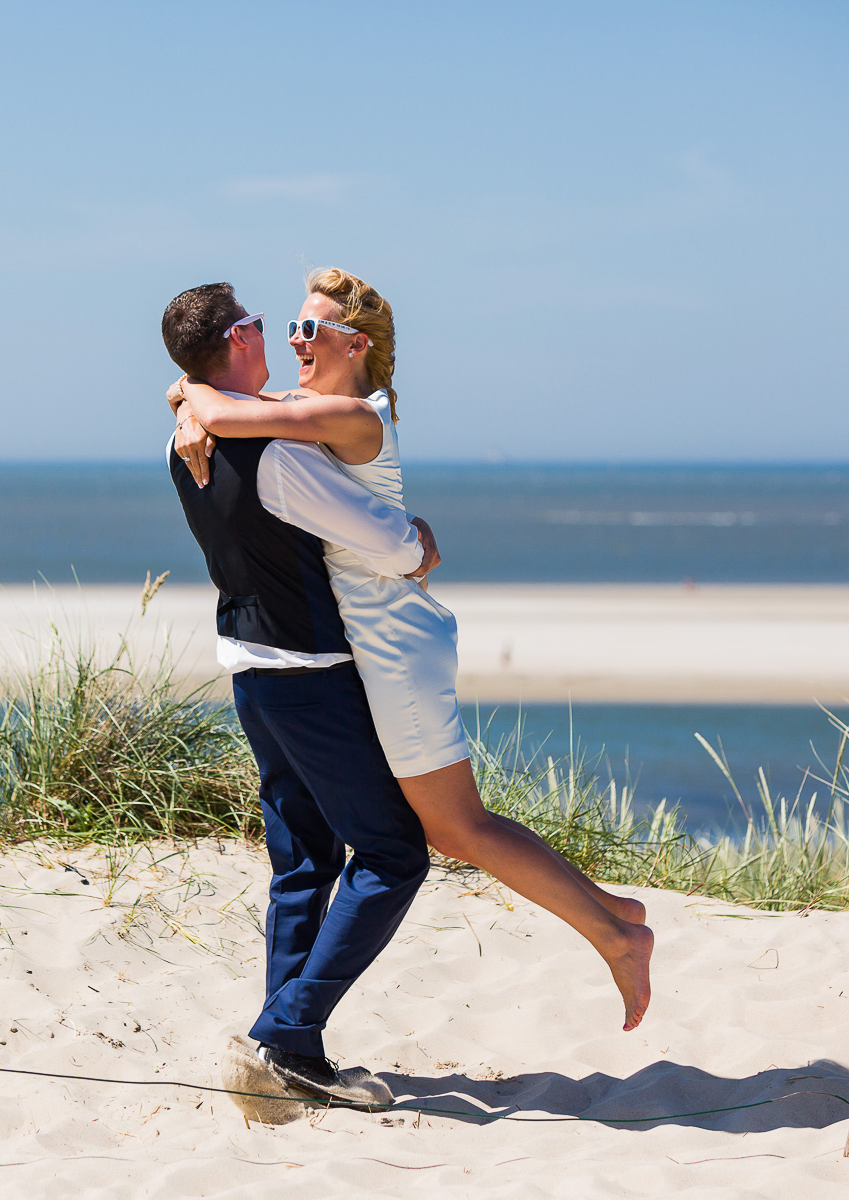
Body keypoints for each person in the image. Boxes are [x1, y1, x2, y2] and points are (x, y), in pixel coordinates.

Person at [170, 268, 654, 1031]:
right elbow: (226, 404)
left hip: (393, 640)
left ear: (356, 344)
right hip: (357, 646)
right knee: (451, 826)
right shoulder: (290, 413)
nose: (295, 340)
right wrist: (191, 398)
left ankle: (614, 935)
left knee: (452, 828)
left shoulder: (349, 414)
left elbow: (227, 413)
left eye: (310, 329)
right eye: (288, 326)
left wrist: (192, 399)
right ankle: (610, 914)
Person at [160, 282, 439, 1103]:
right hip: (310, 677)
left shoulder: (186, 439)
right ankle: (287, 1033)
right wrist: (420, 544)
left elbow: (192, 391)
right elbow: (387, 547)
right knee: (391, 855)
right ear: (237, 341)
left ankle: (291, 1047)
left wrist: (188, 399)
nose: (277, 335)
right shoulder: (276, 452)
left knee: (302, 862)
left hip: (251, 675)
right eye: (260, 323)